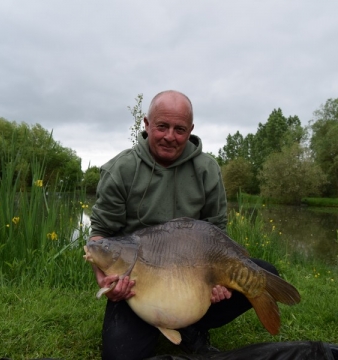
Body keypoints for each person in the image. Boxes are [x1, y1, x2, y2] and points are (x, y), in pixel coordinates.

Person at [90, 90, 278, 360]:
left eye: (179, 129)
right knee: (119, 356)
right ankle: (158, 321)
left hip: (196, 277)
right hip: (137, 284)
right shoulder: (120, 170)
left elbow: (216, 234)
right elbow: (100, 235)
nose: (170, 136)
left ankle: (192, 326)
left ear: (190, 130)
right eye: (162, 126)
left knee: (262, 274)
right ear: (146, 125)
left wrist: (217, 283)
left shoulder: (207, 169)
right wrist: (105, 279)